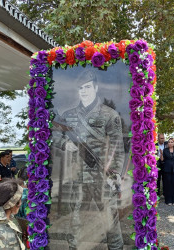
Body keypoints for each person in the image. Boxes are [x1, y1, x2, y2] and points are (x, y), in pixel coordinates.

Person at [53, 69, 124, 249]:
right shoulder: (68, 115)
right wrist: (63, 143)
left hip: (101, 176)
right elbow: (54, 134)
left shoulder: (109, 114)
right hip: (76, 176)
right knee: (75, 221)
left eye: (87, 87)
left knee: (110, 221)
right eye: (80, 88)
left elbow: (117, 148)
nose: (83, 91)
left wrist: (114, 175)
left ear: (96, 87)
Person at [160, 138, 174, 205]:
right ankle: (168, 200)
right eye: (169, 142)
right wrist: (161, 154)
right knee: (168, 185)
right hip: (167, 169)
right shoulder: (165, 150)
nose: (170, 143)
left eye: (172, 142)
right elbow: (162, 160)